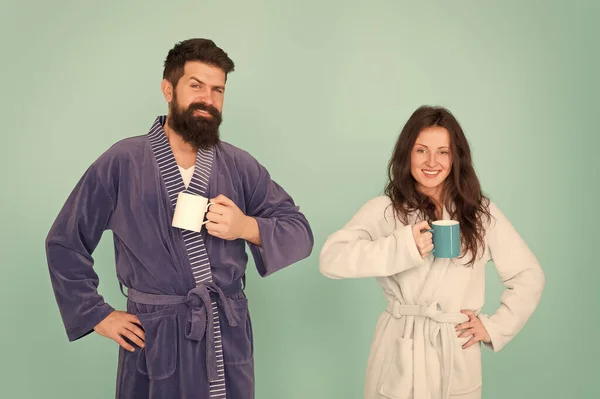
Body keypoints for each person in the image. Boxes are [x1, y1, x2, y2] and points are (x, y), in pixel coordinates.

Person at [45, 38, 314, 399]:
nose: (209, 99)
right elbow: (65, 242)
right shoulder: (122, 162)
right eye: (196, 85)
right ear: (168, 89)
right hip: (154, 336)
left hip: (223, 334)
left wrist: (246, 228)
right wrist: (96, 314)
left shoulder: (240, 165)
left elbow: (300, 232)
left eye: (218, 89)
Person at [319, 105, 545, 399]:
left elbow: (529, 275)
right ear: (407, 154)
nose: (431, 162)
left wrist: (494, 327)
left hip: (454, 351)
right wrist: (401, 247)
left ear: (456, 158)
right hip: (399, 348)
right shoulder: (384, 211)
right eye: (421, 150)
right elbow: (331, 260)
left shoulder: (479, 213)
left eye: (443, 152)